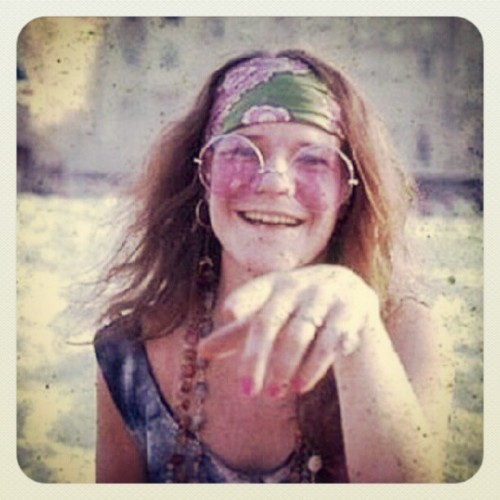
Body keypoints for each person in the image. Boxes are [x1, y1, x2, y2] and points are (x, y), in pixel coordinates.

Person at [94, 49, 454, 483]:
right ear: (204, 175)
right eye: (242, 152)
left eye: (314, 159)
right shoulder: (129, 353)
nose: (274, 182)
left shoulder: (404, 336)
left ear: (347, 193)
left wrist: (359, 335)